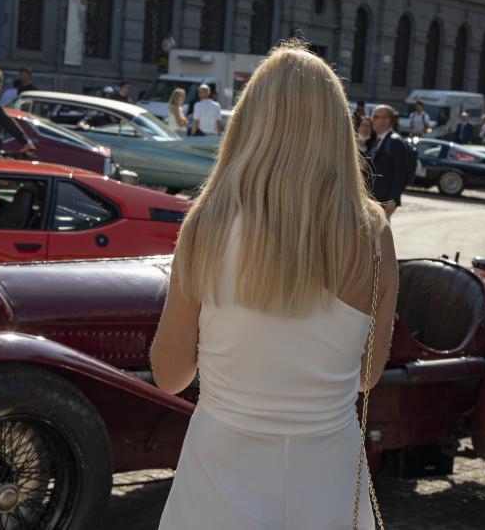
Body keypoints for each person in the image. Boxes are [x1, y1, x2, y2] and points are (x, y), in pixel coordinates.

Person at [151, 40, 398, 529]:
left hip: (219, 480)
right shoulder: (372, 233)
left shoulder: (208, 223)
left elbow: (170, 374)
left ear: (248, 123)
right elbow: (367, 376)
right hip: (328, 479)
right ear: (336, 129)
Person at [368, 104, 411, 211]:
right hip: (374, 199)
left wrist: (393, 199)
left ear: (387, 120)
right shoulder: (378, 140)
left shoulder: (394, 141)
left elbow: (401, 173)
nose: (371, 120)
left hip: (383, 200)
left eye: (375, 117)